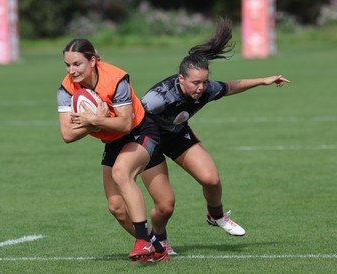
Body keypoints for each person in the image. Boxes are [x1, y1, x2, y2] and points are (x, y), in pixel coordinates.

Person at [138, 17, 290, 247]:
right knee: (165, 206)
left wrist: (262, 81)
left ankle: (216, 216)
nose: (201, 88)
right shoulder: (156, 99)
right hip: (149, 142)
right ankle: (159, 239)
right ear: (181, 79)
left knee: (211, 180)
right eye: (195, 83)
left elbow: (230, 86)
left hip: (177, 135)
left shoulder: (206, 89)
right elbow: (131, 120)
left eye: (204, 82)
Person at [57, 38, 168, 262]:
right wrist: (94, 122)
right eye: (68, 65)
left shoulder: (116, 79)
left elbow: (125, 124)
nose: (72, 70)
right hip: (112, 140)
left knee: (121, 172)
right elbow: (68, 134)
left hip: (139, 131)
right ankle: (157, 247)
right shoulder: (66, 89)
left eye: (77, 64)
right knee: (116, 207)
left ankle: (142, 242)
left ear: (93, 60)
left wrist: (94, 120)